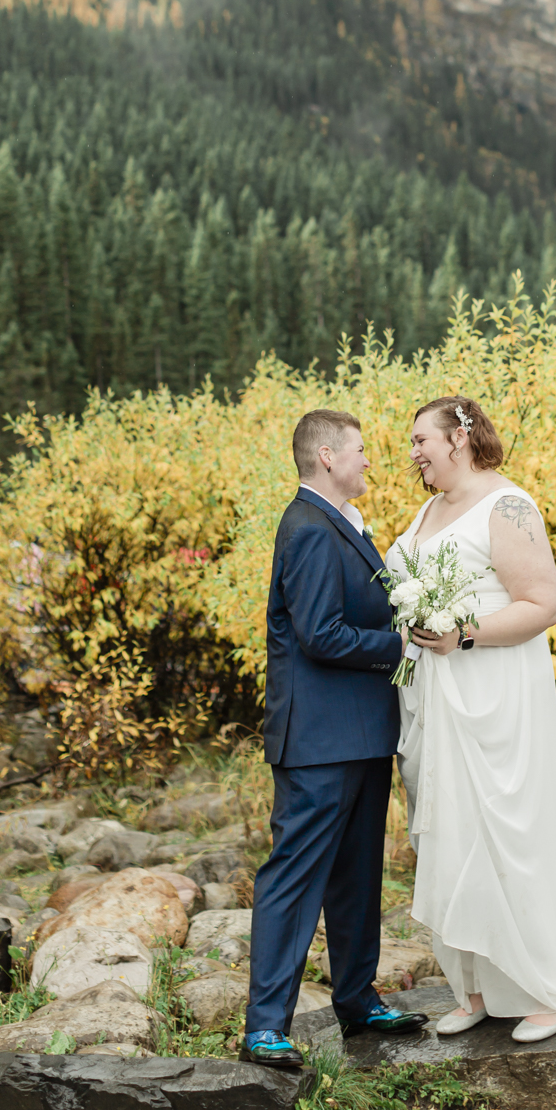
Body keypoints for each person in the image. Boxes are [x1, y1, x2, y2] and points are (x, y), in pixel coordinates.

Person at [387, 395, 556, 1044]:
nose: (414, 454)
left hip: (494, 689)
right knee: (450, 835)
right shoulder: (429, 508)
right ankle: (479, 986)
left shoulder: (509, 505)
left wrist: (461, 633)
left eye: (421, 440)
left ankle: (548, 986)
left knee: (509, 829)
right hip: (433, 695)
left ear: (457, 437)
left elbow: (542, 603)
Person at [241, 408, 429, 1068]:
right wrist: (398, 645)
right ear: (327, 456)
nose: (369, 460)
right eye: (359, 450)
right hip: (319, 740)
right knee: (293, 878)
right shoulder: (310, 530)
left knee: (356, 877)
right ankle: (265, 1026)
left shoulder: (342, 525)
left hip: (361, 735)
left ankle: (356, 1000)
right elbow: (320, 634)